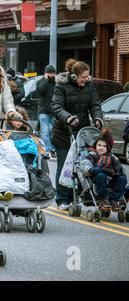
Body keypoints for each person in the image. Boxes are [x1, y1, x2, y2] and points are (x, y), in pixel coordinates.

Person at [51, 58, 103, 210]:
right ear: (74, 76)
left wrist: (97, 118)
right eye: (83, 77)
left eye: (87, 77)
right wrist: (68, 117)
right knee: (64, 166)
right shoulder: (62, 86)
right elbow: (56, 106)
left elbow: (94, 104)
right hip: (63, 132)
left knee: (81, 165)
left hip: (82, 132)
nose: (86, 80)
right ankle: (62, 199)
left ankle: (78, 196)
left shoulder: (89, 86)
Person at [80, 130, 126, 212]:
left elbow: (120, 170)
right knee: (101, 175)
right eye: (99, 145)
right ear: (95, 145)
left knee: (122, 178)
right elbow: (84, 165)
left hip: (110, 180)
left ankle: (114, 199)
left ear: (108, 148)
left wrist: (118, 174)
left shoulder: (113, 158)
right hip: (96, 179)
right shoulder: (92, 154)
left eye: (104, 146)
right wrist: (92, 170)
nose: (101, 148)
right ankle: (105, 198)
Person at [36, 64, 56, 158]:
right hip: (43, 111)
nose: (51, 75)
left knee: (55, 132)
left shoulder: (56, 83)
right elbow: (40, 91)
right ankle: (46, 152)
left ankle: (53, 148)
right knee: (45, 133)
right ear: (45, 73)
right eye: (49, 73)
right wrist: (46, 80)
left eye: (53, 73)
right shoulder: (40, 82)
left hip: (54, 111)